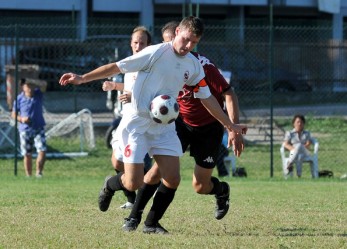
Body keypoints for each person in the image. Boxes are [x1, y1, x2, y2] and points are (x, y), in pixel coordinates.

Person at [59, 16, 247, 234]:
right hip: (138, 125)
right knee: (133, 182)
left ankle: (150, 224)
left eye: (193, 43)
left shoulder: (194, 64)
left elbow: (208, 99)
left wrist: (230, 126)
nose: (188, 46)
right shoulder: (155, 53)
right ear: (177, 32)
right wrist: (82, 78)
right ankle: (110, 185)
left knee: (173, 178)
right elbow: (116, 67)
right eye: (186, 39)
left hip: (165, 127)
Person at [122, 20, 245, 232]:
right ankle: (137, 219)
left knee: (200, 186)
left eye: (190, 43)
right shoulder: (162, 58)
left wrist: (232, 128)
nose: (179, 48)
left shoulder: (202, 66)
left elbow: (229, 93)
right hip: (180, 124)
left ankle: (221, 190)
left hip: (209, 128)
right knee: (155, 173)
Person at [104, 26, 153, 209]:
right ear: (131, 44)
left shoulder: (150, 66)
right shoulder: (130, 64)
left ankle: (140, 198)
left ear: (149, 45)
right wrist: (115, 86)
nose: (138, 46)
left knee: (141, 172)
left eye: (142, 43)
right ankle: (132, 198)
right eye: (135, 42)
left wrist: (134, 97)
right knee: (117, 161)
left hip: (144, 123)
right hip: (127, 120)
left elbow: (155, 94)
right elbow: (131, 86)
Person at [11, 78, 47, 178]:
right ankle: (28, 175)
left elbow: (44, 84)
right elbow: (13, 114)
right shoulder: (19, 99)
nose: (30, 88)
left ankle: (39, 173)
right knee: (27, 153)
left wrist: (34, 81)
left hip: (38, 127)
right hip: (25, 129)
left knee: (42, 149)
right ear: (23, 87)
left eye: (31, 86)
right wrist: (22, 119)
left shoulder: (38, 94)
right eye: (27, 86)